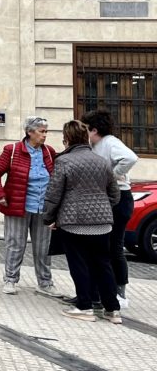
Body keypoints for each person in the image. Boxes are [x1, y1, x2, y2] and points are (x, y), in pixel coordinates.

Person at [42, 120, 122, 323]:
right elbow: (115, 194)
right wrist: (101, 207)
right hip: (102, 223)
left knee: (79, 264)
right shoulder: (102, 161)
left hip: (74, 222)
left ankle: (85, 306)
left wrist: (49, 217)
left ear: (67, 139)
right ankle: (112, 310)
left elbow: (54, 194)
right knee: (104, 264)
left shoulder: (64, 162)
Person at [0, 116, 59, 296]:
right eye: (41, 131)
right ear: (29, 132)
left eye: (46, 131)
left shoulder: (49, 152)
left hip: (43, 207)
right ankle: (10, 280)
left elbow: (57, 176)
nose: (45, 135)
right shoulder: (12, 150)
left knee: (44, 247)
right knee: (15, 244)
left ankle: (45, 283)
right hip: (18, 206)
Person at [82, 109, 138, 310]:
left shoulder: (109, 142)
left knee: (113, 246)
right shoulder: (97, 145)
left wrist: (112, 175)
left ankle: (119, 292)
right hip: (112, 199)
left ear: (94, 129)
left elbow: (130, 158)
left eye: (86, 129)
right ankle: (99, 291)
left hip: (119, 199)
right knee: (104, 245)